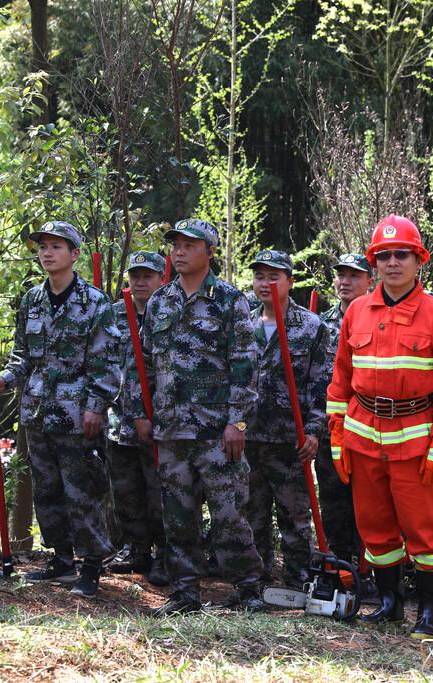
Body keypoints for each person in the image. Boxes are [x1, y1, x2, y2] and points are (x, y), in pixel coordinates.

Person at [326, 215, 433, 640]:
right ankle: (389, 606)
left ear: (418, 259)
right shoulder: (357, 312)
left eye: (401, 254)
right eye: (383, 255)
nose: (392, 262)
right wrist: (337, 433)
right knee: (374, 526)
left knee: (423, 530)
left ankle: (428, 613)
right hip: (363, 435)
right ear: (374, 262)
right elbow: (341, 379)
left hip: (415, 440)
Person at [130, 218, 264, 616]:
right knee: (178, 516)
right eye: (176, 245)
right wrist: (141, 412)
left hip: (216, 431)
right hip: (171, 430)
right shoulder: (160, 301)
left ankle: (248, 588)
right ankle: (185, 591)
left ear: (209, 251)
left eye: (190, 245)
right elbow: (145, 365)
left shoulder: (229, 300)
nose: (180, 251)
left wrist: (237, 422)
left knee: (229, 515)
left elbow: (245, 365)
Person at [0, 220, 120, 598]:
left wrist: (96, 407)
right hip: (39, 412)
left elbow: (107, 364)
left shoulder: (95, 303)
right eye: (42, 246)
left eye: (57, 247)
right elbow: (22, 356)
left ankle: (91, 567)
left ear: (74, 255)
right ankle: (61, 558)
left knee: (84, 490)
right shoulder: (32, 301)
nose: (47, 253)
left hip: (79, 416)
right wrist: (4, 380)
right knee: (47, 490)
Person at [246, 250, 333, 588]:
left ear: (289, 282)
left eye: (274, 276)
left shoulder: (311, 328)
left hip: (289, 440)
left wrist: (313, 431)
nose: (265, 283)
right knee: (252, 512)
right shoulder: (245, 325)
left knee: (294, 515)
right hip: (250, 436)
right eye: (259, 276)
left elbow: (322, 384)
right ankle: (257, 577)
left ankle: (298, 579)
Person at [107, 251, 168, 586]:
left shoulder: (169, 315)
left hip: (159, 421)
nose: (140, 282)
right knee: (126, 489)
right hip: (119, 420)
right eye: (135, 276)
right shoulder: (114, 315)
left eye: (148, 276)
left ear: (162, 279)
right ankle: (136, 550)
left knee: (160, 491)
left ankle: (165, 554)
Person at [316, 253, 374, 568]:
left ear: (370, 281)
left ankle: (371, 567)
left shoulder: (379, 320)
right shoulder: (321, 324)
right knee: (334, 499)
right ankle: (339, 564)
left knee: (370, 502)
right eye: (341, 275)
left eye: (354, 276)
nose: (345, 282)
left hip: (369, 428)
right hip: (332, 428)